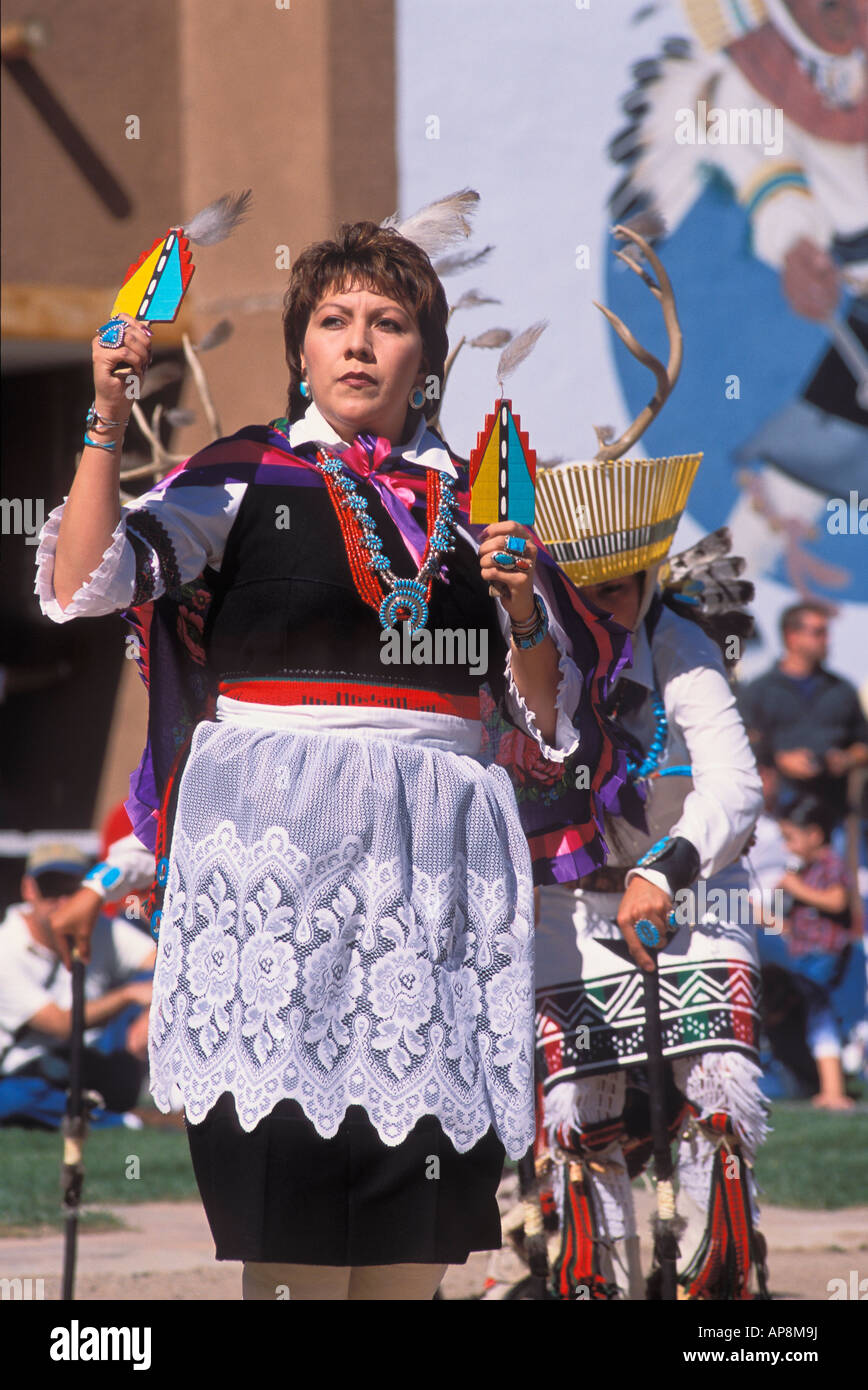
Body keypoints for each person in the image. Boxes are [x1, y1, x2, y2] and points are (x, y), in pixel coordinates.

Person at [36, 215, 629, 1301]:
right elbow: (84, 581)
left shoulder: (486, 501)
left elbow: (549, 728)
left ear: (427, 357)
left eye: (389, 322)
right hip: (279, 883)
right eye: (333, 320)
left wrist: (521, 615)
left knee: (411, 1246)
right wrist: (106, 413)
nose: (358, 343)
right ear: (301, 348)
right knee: (292, 1235)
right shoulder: (243, 474)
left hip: (431, 896)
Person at [532, 466, 768, 1297]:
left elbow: (735, 786)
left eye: (625, 589)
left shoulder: (684, 642)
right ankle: (599, 1282)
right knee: (581, 1116)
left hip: (695, 899)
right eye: (591, 592)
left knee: (717, 1101)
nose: (612, 608)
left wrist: (663, 873)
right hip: (565, 904)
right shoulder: (535, 645)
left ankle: (722, 1298)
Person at [0, 842, 155, 1128]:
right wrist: (129, 996)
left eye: (71, 889)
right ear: (28, 889)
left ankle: (105, 1110)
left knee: (156, 981)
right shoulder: (5, 947)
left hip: (91, 1057)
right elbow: (61, 1024)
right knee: (15, 1097)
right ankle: (116, 1118)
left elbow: (161, 962)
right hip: (27, 1070)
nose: (61, 901)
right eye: (50, 888)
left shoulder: (102, 928)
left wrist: (151, 1011)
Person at [739, 602, 868, 826]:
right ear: (792, 636)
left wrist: (844, 759)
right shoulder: (759, 691)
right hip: (775, 815)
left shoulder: (842, 690)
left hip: (833, 813)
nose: (826, 640)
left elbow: (863, 743)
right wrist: (779, 759)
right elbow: (741, 744)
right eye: (818, 632)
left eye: (826, 632)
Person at [776, 794, 857, 1109]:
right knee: (813, 1017)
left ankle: (835, 1091)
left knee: (820, 1016)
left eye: (790, 839)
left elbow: (838, 902)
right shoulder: (806, 871)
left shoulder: (830, 865)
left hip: (824, 954)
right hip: (804, 955)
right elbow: (790, 925)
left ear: (814, 834)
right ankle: (824, 1085)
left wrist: (796, 889)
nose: (786, 847)